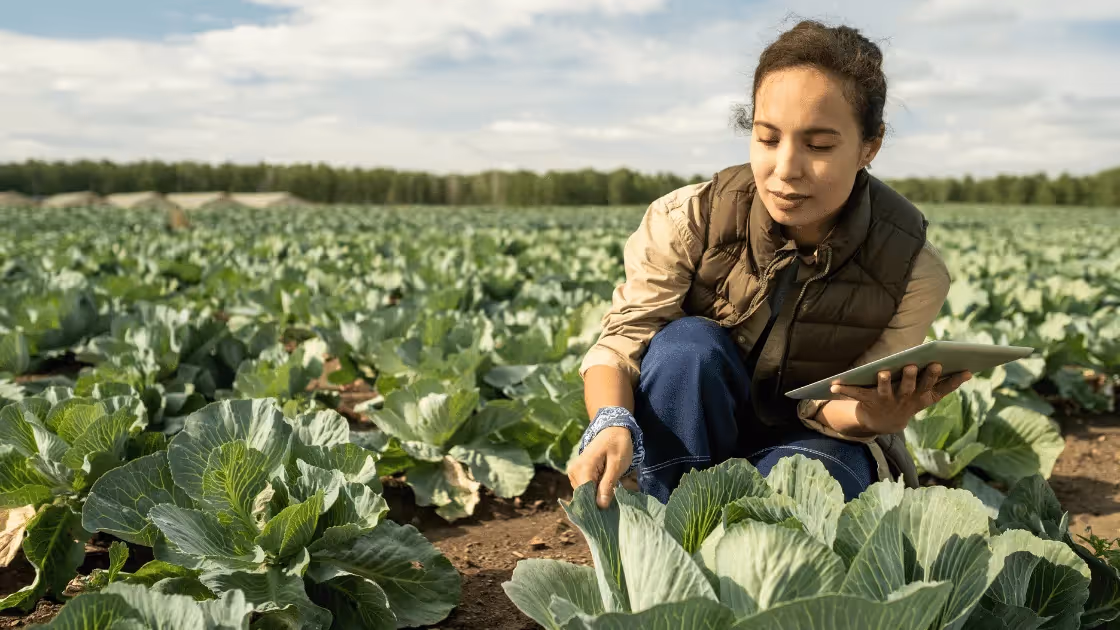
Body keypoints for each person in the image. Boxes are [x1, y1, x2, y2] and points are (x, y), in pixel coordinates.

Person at [568, 19, 973, 509]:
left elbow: (838, 407)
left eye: (819, 146)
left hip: (817, 443)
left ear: (871, 146)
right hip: (696, 425)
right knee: (686, 349)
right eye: (767, 138)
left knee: (806, 481)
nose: (785, 169)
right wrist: (611, 421)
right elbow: (624, 339)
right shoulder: (687, 218)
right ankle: (660, 522)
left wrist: (880, 417)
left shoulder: (913, 270)